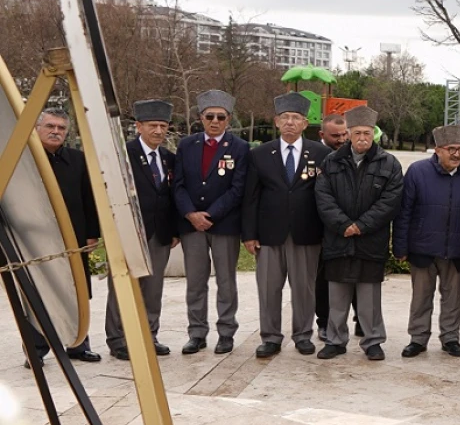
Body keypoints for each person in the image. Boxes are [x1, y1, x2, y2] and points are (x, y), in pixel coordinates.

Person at [242, 93, 331, 358]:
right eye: (285, 118)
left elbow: (327, 196)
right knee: (268, 288)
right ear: (276, 122)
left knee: (304, 288)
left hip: (307, 233)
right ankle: (270, 337)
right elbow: (250, 198)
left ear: (305, 123)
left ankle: (303, 335)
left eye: (296, 118)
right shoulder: (259, 154)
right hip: (269, 234)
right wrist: (249, 234)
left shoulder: (322, 154)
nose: (290, 122)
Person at [314, 106, 403, 361]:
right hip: (338, 239)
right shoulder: (331, 162)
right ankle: (335, 340)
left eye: (367, 133)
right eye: (357, 133)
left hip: (370, 241)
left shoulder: (389, 163)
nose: (362, 138)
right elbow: (323, 197)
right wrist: (343, 224)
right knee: (337, 296)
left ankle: (373, 341)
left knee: (369, 298)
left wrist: (361, 225)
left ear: (373, 134)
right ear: (349, 134)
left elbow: (390, 201)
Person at [394, 124, 460, 358]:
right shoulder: (417, 171)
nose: (456, 154)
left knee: (453, 298)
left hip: (457, 249)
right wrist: (400, 247)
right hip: (422, 248)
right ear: (438, 150)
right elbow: (404, 212)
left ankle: (451, 338)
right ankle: (418, 338)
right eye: (451, 149)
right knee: (421, 297)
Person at [173, 90, 249, 355]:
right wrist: (191, 214)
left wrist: (211, 214)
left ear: (229, 118)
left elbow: (238, 188)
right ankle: (197, 333)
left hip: (224, 225)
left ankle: (226, 332)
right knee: (195, 281)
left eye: (221, 117)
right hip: (191, 225)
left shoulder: (240, 147)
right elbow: (178, 185)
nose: (215, 121)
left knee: (226, 282)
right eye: (209, 116)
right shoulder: (186, 145)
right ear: (200, 118)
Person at [104, 100, 179, 360]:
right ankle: (118, 339)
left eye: (163, 126)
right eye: (152, 125)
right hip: (128, 232)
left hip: (160, 234)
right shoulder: (123, 155)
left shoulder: (169, 158)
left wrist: (175, 230)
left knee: (154, 288)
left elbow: (172, 196)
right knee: (122, 286)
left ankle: (149, 335)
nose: (158, 131)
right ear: (139, 126)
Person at [29, 108, 100, 362]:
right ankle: (36, 349)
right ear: (37, 128)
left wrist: (92, 233)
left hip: (74, 238)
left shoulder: (78, 159)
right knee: (37, 293)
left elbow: (88, 198)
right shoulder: (24, 159)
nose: (56, 132)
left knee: (76, 291)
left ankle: (78, 345)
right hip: (35, 239)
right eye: (50, 126)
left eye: (61, 128)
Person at [315, 114, 354, 342]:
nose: (341, 140)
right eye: (335, 136)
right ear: (322, 134)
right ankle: (324, 322)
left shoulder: (353, 153)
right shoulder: (315, 154)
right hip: (322, 228)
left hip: (351, 226)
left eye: (344, 134)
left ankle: (360, 320)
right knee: (324, 278)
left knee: (356, 274)